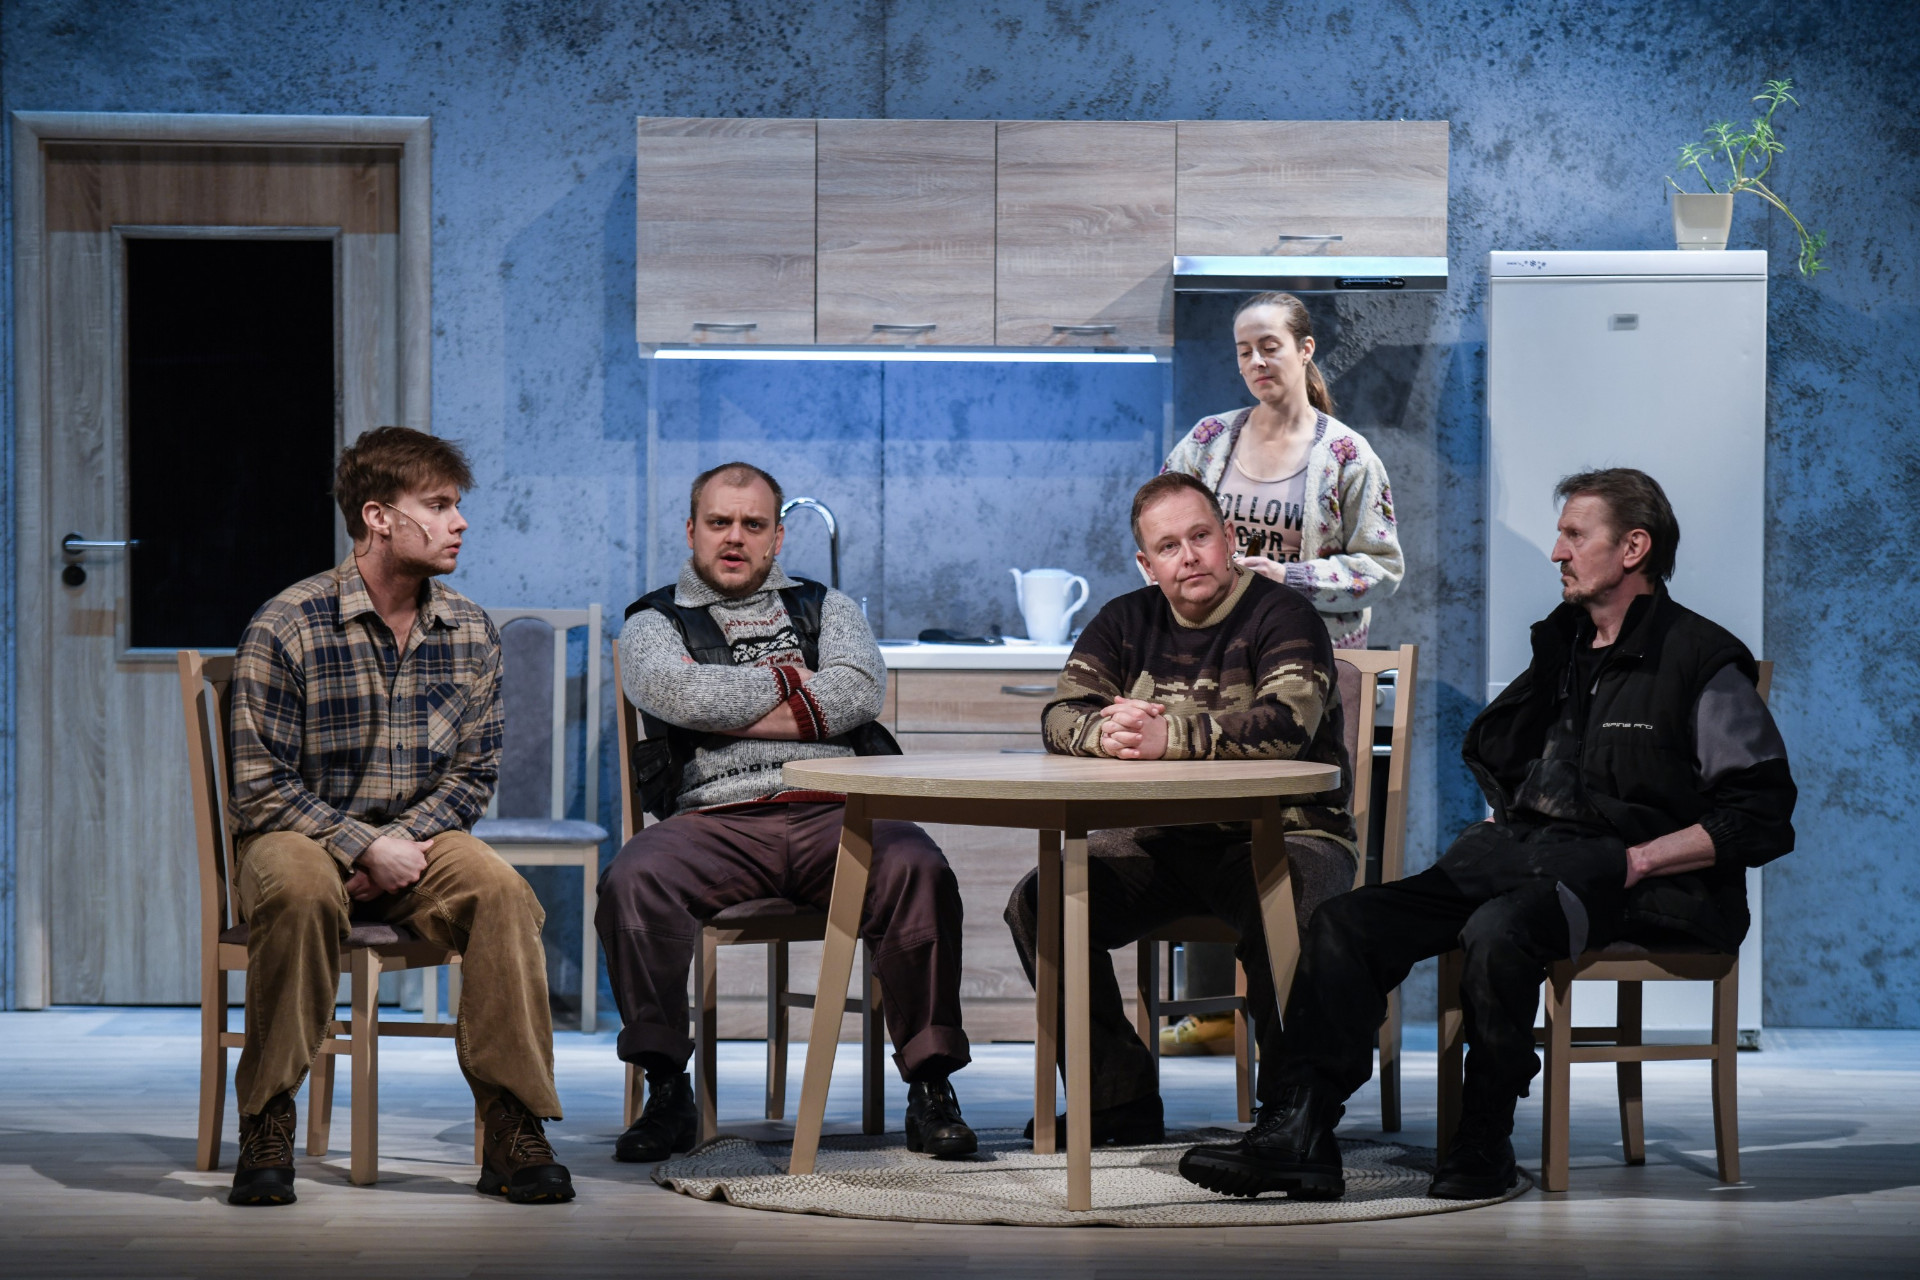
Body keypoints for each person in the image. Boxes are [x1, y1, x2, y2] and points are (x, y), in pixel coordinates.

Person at [1178, 467, 1796, 1202]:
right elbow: (1529, 759)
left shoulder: (1699, 659)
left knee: (1500, 930)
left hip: (1642, 883)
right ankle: (1300, 1129)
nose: (1557, 552)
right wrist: (1509, 814)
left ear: (1634, 547)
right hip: (1527, 857)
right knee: (1348, 922)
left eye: (1575, 535)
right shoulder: (1563, 645)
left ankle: (1482, 1140)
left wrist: (1637, 861)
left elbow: (1759, 814)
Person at [224, 426, 570, 1207]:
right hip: (299, 835)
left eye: (457, 506)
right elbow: (260, 785)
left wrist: (395, 847)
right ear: (378, 517)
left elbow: (472, 775)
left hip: (418, 844)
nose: (460, 522)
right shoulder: (289, 623)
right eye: (439, 505)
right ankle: (266, 1117)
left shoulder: (471, 631)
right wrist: (360, 847)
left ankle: (513, 1126)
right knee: (300, 889)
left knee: (502, 892)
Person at [600, 462, 977, 1162]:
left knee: (917, 867)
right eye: (719, 523)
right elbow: (676, 695)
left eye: (752, 525)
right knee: (632, 879)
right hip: (714, 820)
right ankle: (667, 1088)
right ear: (691, 530)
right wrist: (794, 686)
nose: (734, 537)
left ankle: (931, 1087)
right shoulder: (653, 621)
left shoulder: (827, 608)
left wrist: (729, 699)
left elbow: (857, 692)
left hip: (837, 812)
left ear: (777, 537)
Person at [1002, 471, 1358, 1146]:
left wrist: (1169, 736)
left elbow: (1286, 726)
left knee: (1289, 904)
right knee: (1041, 902)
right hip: (1164, 839)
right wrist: (1107, 733)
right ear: (1147, 563)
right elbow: (1060, 715)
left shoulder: (1285, 615)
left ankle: (1293, 1113)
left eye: (1200, 537)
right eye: (1169, 547)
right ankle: (1117, 1097)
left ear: (1230, 537)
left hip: (1289, 832)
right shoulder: (1124, 620)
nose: (1189, 557)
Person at [1157, 291, 1405, 1053]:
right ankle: (1213, 1013)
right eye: (1244, 350)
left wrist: (1289, 578)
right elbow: (1159, 533)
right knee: (1204, 823)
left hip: (1311, 679)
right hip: (1212, 670)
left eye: (1270, 345)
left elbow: (1382, 568)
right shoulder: (1207, 442)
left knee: (1288, 832)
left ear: (1305, 350)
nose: (1256, 361)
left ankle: (1298, 1017)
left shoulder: (1346, 455)